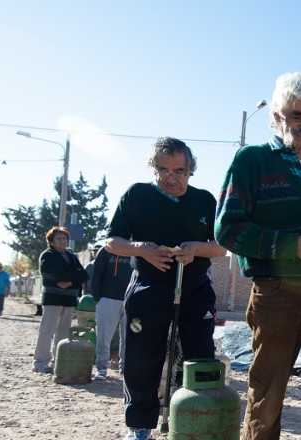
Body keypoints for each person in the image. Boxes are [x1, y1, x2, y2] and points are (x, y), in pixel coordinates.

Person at [215, 72, 301, 440]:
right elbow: (227, 229)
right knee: (268, 393)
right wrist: (290, 247)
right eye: (297, 115)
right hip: (275, 294)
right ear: (277, 116)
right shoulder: (252, 160)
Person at [105, 137, 227, 440]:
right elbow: (112, 241)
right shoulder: (137, 195)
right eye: (163, 170)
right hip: (149, 286)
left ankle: (192, 421)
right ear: (153, 167)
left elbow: (222, 247)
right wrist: (141, 249)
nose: (171, 178)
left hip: (195, 287)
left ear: (191, 170)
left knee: (199, 356)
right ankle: (140, 426)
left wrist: (196, 248)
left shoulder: (205, 201)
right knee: (141, 358)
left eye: (179, 171)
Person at [32, 226, 88, 374]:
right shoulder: (47, 255)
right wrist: (70, 277)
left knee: (63, 333)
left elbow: (83, 275)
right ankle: (40, 362)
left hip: (69, 299)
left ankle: (59, 361)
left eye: (64, 238)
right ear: (51, 241)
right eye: (59, 238)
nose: (62, 241)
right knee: (47, 331)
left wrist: (69, 282)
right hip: (53, 298)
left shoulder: (71, 256)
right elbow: (50, 275)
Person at [89, 245, 133, 379]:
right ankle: (102, 369)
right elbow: (97, 274)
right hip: (107, 298)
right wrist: (98, 297)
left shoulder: (136, 249)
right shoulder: (106, 250)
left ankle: (125, 369)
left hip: (131, 299)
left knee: (129, 337)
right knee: (103, 336)